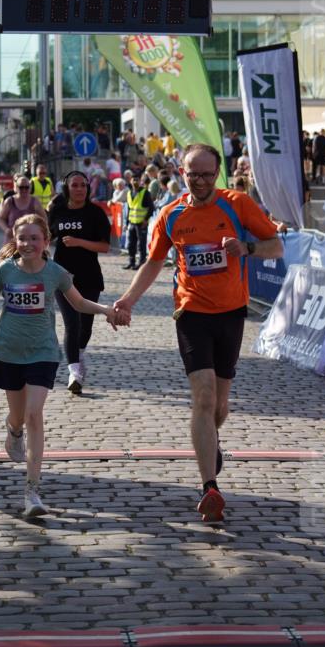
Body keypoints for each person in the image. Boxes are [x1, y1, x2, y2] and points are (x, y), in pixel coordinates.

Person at [114, 143, 284, 524]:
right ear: (181, 172)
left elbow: (277, 246)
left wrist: (248, 247)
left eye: (208, 174)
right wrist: (126, 301)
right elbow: (153, 263)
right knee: (203, 398)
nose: (201, 181)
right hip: (190, 313)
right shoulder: (170, 215)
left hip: (231, 314)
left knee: (219, 407)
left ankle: (211, 440)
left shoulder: (237, 204)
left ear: (218, 173)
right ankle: (210, 486)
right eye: (194, 174)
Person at [0, 214, 123, 518]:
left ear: (46, 241)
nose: (28, 243)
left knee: (34, 414)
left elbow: (78, 303)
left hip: (43, 352)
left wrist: (107, 310)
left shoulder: (55, 272)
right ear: (15, 240)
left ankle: (32, 491)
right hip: (7, 351)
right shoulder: (5, 271)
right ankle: (13, 432)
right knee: (17, 418)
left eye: (34, 238)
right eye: (22, 238)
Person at [47, 171, 111, 395]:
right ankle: (74, 372)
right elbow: (46, 237)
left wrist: (79, 242)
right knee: (71, 322)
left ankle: (79, 353)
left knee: (85, 325)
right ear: (67, 188)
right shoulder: (58, 210)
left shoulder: (95, 213)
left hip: (90, 275)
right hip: (63, 276)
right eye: (75, 185)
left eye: (83, 185)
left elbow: (104, 247)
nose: (80, 189)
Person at [0, 174, 46, 242]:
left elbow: (44, 218)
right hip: (12, 240)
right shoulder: (9, 201)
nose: (24, 190)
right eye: (21, 187)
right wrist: (6, 230)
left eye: (26, 187)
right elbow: (1, 218)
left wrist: (40, 231)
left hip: (30, 241)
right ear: (16, 188)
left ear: (30, 188)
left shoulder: (35, 201)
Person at [123, 171, 154, 270]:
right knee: (130, 244)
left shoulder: (145, 192)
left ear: (140, 181)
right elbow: (129, 209)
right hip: (132, 222)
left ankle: (141, 263)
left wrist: (146, 220)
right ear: (130, 181)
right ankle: (131, 262)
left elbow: (151, 207)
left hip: (141, 223)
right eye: (133, 179)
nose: (135, 181)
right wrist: (126, 223)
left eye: (137, 179)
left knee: (141, 244)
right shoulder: (129, 193)